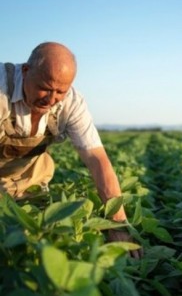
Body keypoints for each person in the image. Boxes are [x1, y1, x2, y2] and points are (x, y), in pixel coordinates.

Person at [0, 41, 142, 258]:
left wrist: (118, 225)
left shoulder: (72, 104)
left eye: (60, 91)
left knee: (38, 246)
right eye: (45, 88)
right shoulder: (2, 89)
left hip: (29, 183)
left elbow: (97, 160)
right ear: (25, 71)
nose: (51, 98)